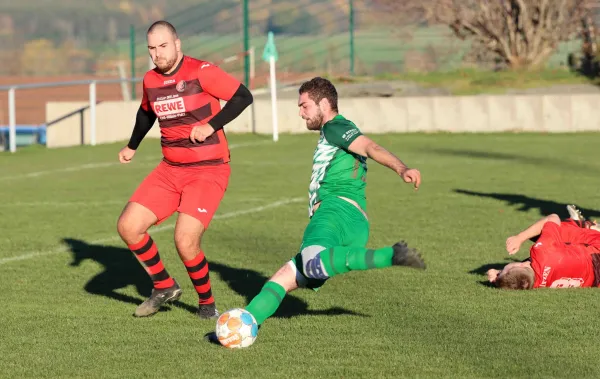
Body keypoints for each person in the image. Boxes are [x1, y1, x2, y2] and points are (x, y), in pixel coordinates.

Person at [241, 77, 426, 328]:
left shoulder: (335, 127)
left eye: (304, 106)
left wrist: (401, 168)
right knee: (284, 277)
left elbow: (370, 146)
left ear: (324, 104)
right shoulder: (337, 131)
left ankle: (390, 255)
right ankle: (241, 325)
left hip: (334, 213)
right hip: (355, 222)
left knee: (311, 262)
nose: (301, 113)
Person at [116, 20, 253, 319]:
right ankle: (164, 285)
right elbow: (145, 112)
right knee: (128, 226)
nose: (157, 54)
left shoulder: (201, 71)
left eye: (163, 46)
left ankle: (207, 306)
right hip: (170, 169)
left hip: (208, 170)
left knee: (185, 240)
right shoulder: (150, 80)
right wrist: (132, 146)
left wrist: (210, 125)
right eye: (151, 48)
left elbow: (244, 97)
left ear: (177, 45)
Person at [487, 205, 600, 289]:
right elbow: (553, 217)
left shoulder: (535, 283)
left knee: (552, 237)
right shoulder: (542, 253)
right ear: (520, 265)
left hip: (597, 280)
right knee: (547, 230)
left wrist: (500, 277)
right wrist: (520, 238)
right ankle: (586, 225)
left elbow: (519, 279)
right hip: (597, 251)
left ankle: (581, 225)